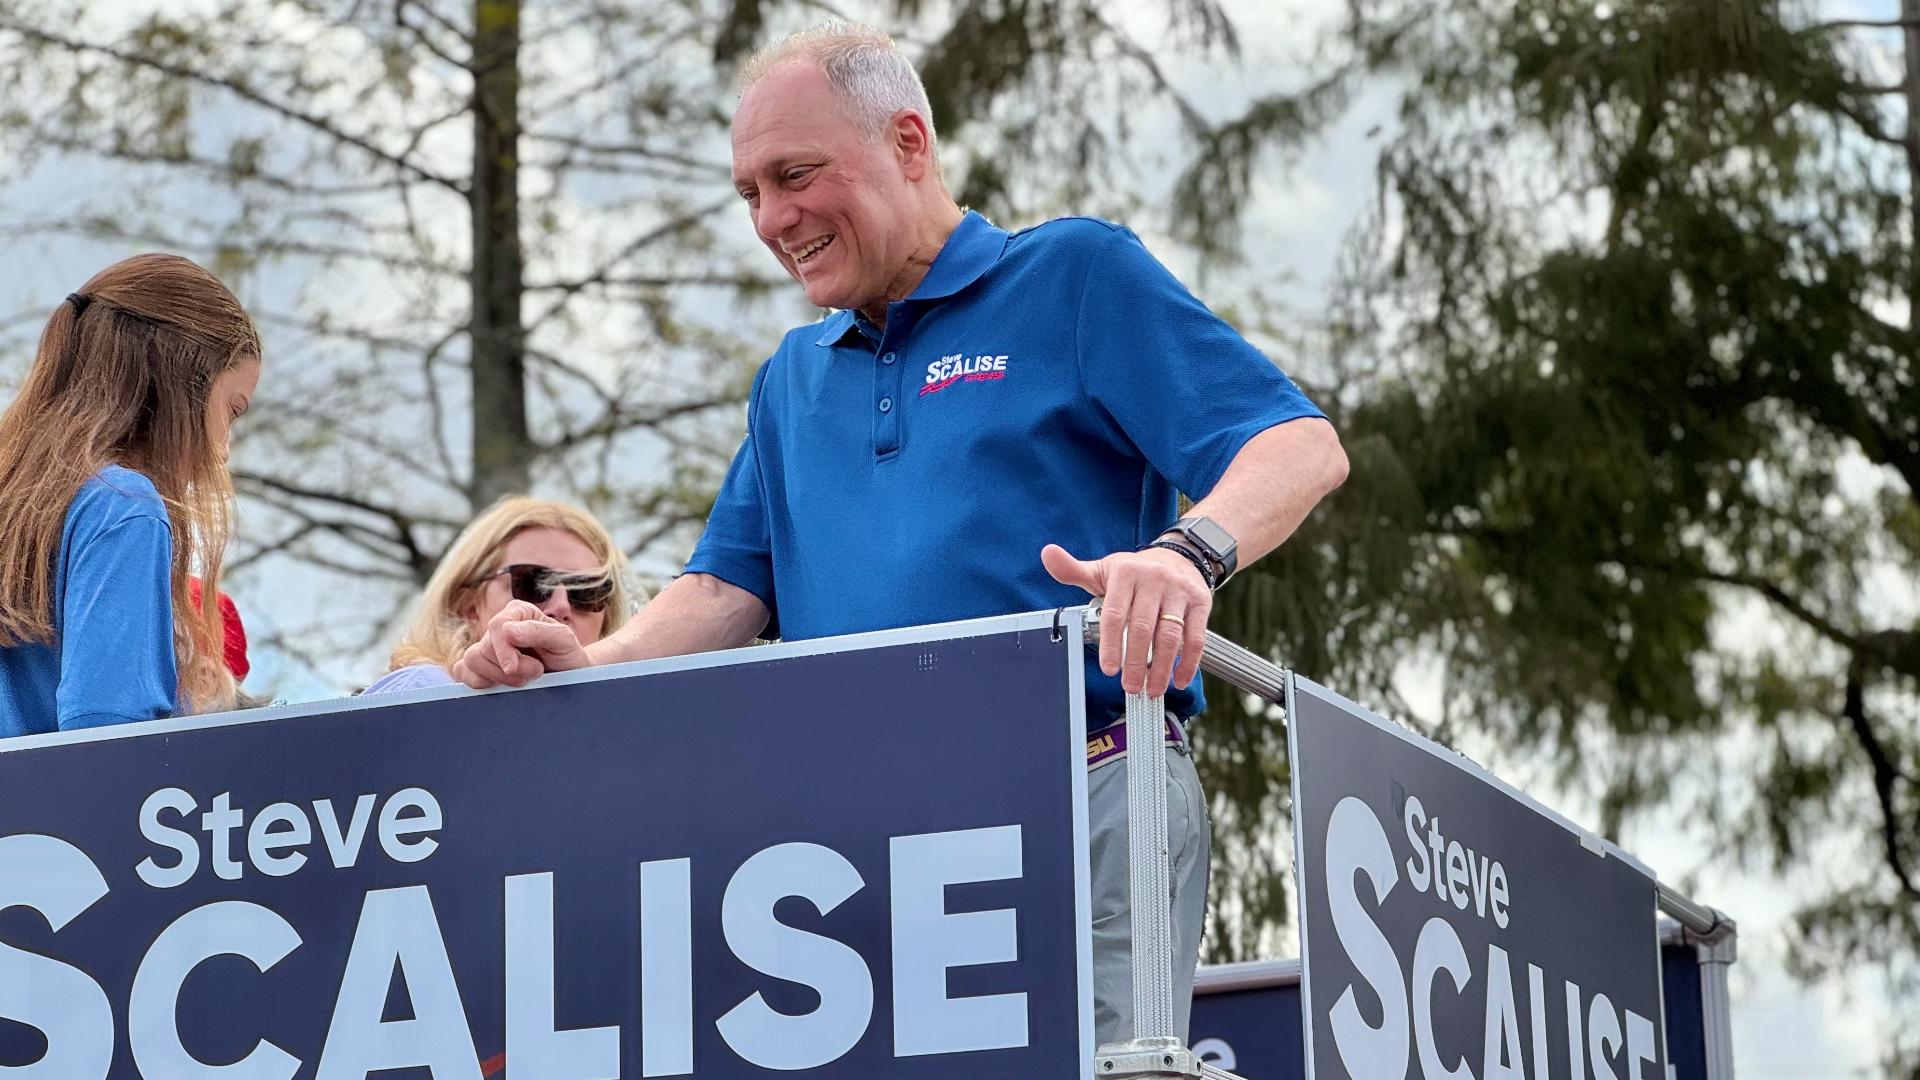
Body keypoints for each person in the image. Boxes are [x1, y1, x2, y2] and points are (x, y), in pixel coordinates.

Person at [455, 23, 1348, 1047]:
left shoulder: (1072, 275)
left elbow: (1296, 443)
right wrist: (588, 663)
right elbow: (720, 594)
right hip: (855, 851)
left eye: (795, 175)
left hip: (1085, 797)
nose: (772, 219)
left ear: (909, 143)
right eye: (750, 192)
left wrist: (1186, 553)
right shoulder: (791, 380)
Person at [0, 254, 262, 737]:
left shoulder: (18, 500)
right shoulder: (124, 505)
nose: (223, 451)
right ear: (182, 385)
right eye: (233, 410)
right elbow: (109, 734)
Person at [364, 496, 634, 694]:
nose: (561, 605)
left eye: (587, 590)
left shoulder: (629, 716)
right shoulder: (424, 690)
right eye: (532, 583)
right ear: (468, 606)